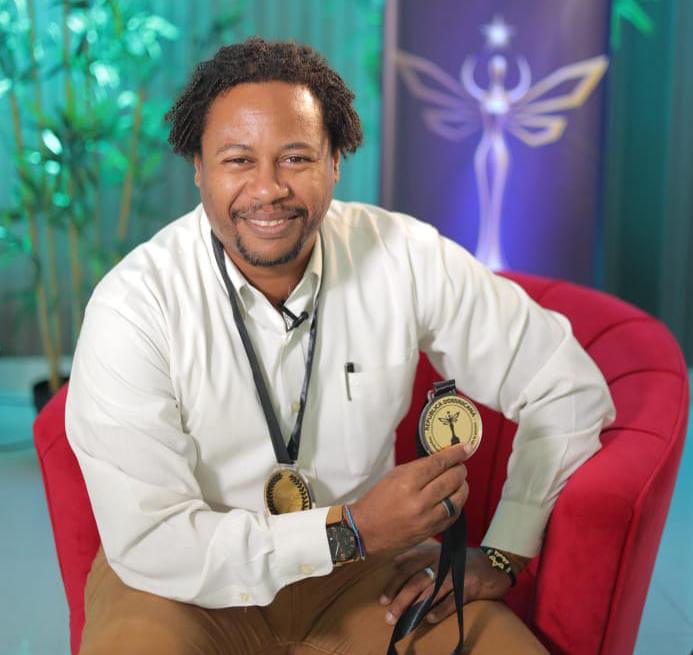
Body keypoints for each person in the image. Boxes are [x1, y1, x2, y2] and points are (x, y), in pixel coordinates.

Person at [66, 37, 615, 654]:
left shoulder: (403, 256)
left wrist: (505, 550)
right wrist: (351, 528)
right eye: (238, 160)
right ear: (199, 168)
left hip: (367, 578)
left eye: (296, 157)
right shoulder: (134, 306)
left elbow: (565, 385)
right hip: (181, 586)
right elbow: (154, 541)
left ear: (335, 162)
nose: (268, 189)